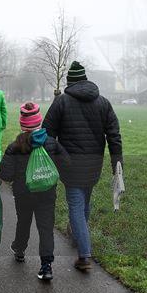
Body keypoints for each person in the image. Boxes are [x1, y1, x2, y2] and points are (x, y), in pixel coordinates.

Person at [42, 61, 123, 272]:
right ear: (85, 79)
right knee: (84, 202)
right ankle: (79, 237)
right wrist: (117, 163)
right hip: (94, 164)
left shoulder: (61, 102)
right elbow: (114, 135)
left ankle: (84, 256)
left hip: (70, 165)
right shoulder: (103, 103)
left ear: (70, 81)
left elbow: (45, 133)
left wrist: (57, 152)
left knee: (76, 207)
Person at [0, 102, 69, 281]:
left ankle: (19, 249)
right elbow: (67, 164)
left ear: (22, 125)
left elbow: (6, 174)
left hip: (23, 194)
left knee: (23, 221)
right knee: (46, 228)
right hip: (47, 193)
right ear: (39, 123)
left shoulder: (14, 146)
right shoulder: (52, 144)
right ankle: (46, 266)